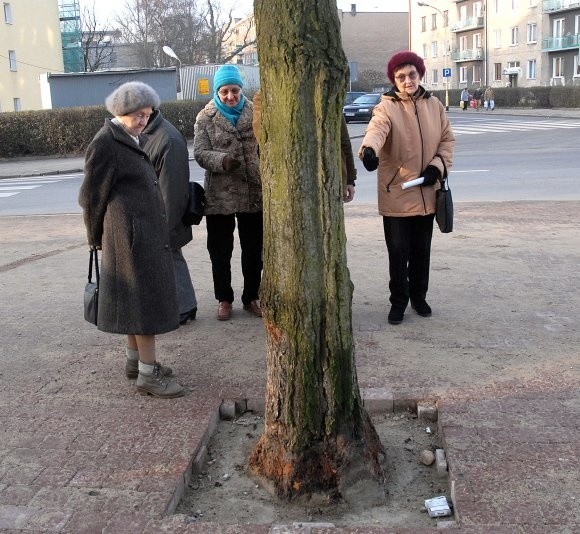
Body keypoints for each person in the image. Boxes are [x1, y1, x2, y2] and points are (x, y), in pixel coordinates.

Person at [79, 81, 184, 398]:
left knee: (136, 303)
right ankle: (149, 376)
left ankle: (135, 362)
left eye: (148, 114)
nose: (144, 121)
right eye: (138, 115)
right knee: (145, 306)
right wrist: (95, 237)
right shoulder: (107, 144)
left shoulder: (127, 138)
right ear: (120, 113)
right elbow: (90, 198)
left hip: (137, 235)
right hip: (129, 239)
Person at [357, 51, 455, 325]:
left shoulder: (435, 105)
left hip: (427, 191)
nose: (407, 80)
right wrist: (368, 151)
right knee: (399, 253)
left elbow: (447, 141)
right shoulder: (386, 107)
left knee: (422, 250)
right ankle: (398, 302)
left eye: (412, 74)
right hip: (397, 192)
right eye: (400, 77)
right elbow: (376, 130)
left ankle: (419, 296)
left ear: (419, 74)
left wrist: (437, 167)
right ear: (394, 81)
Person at [193, 65, 263, 321]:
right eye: (225, 92)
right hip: (220, 195)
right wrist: (221, 161)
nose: (231, 96)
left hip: (253, 191)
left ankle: (252, 296)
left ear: (240, 89)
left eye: (234, 90)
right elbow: (199, 152)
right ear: (217, 92)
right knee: (220, 250)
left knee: (254, 249)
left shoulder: (256, 112)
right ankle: (224, 298)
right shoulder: (205, 118)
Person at [143, 109, 198, 326]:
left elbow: (172, 190)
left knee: (171, 256)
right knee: (171, 257)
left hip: (166, 212)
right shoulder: (153, 132)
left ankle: (184, 307)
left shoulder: (167, 138)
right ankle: (184, 305)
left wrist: (165, 224)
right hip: (159, 211)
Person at [253, 89, 356, 202]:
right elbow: (262, 137)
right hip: (288, 183)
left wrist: (350, 180)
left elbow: (344, 141)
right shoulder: (266, 94)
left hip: (328, 180)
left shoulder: (327, 90)